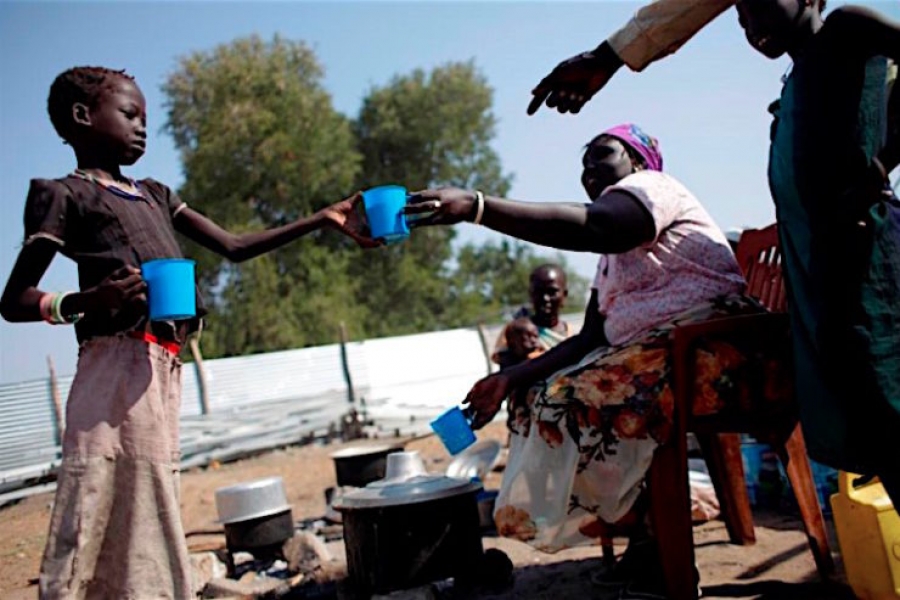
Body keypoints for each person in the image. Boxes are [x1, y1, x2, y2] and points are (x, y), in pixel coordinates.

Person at [0, 66, 377, 599]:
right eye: (129, 114)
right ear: (82, 116)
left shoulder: (153, 194)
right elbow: (13, 300)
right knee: (95, 495)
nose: (142, 127)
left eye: (145, 118)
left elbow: (234, 246)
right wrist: (87, 302)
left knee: (147, 503)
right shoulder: (63, 194)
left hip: (161, 365)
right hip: (113, 364)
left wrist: (321, 219)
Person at [406, 123, 766, 597]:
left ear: (638, 161)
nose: (589, 169)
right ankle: (648, 537)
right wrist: (510, 379)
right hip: (664, 352)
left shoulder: (654, 188)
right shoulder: (610, 260)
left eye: (602, 154)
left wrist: (478, 207)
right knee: (535, 397)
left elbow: (600, 225)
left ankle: (664, 557)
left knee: (576, 400)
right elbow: (590, 337)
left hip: (711, 346)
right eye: (583, 163)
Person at [735, 0, 900, 502]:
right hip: (825, 280)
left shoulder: (846, 30)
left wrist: (880, 167)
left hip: (870, 264)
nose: (751, 24)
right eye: (741, 15)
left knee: (892, 404)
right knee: (875, 426)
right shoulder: (794, 81)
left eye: (760, 5)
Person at [491, 264, 572, 368]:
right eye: (539, 292)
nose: (545, 298)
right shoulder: (516, 330)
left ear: (564, 295)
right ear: (531, 294)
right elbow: (506, 368)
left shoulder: (572, 335)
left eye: (552, 292)